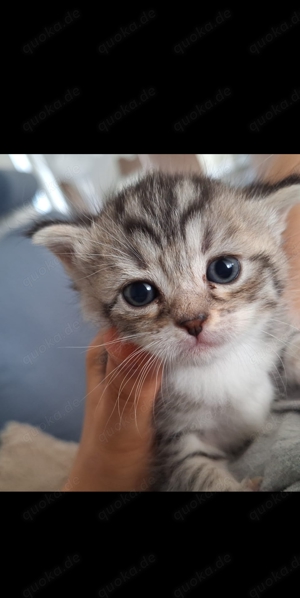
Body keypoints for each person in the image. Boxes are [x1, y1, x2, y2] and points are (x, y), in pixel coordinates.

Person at [63, 154, 300, 491]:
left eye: (224, 269)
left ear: (274, 220)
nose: (192, 317)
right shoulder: (156, 385)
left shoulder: (273, 327)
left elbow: (289, 341)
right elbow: (182, 459)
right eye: (141, 293)